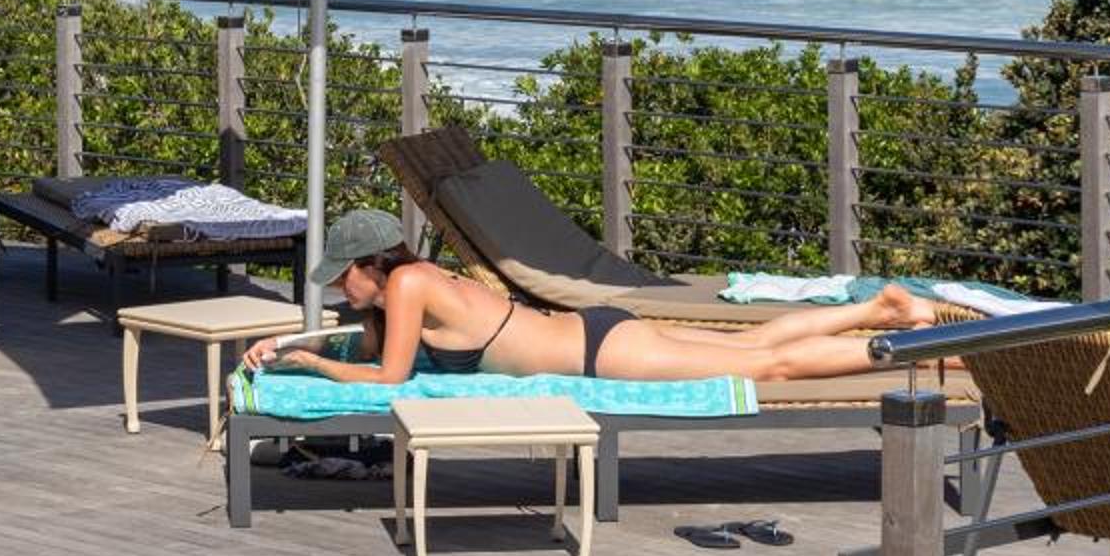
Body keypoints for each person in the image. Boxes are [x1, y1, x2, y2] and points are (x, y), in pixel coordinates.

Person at [241, 209, 945, 384]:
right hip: (599, 333)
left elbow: (388, 377)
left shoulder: (407, 284)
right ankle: (880, 310)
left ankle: (908, 348)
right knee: (752, 344)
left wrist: (308, 363)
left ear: (372, 264)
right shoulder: (412, 283)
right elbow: (371, 354)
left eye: (342, 276)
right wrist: (291, 343)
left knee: (769, 368)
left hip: (600, 355)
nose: (339, 288)